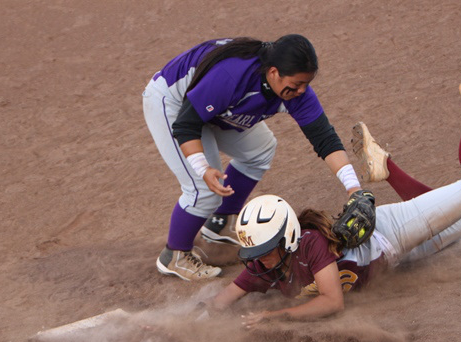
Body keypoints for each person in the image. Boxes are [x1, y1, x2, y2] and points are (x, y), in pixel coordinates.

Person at [210, 66, 461, 328]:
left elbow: (332, 302)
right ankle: (386, 167)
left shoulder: (309, 244)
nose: (259, 259)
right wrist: (195, 324)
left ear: (288, 237)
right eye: (256, 252)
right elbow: (221, 302)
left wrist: (274, 317)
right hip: (393, 259)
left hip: (392, 232)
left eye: (265, 250)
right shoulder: (265, 264)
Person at [143, 35, 365, 281]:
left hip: (214, 106)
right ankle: (175, 254)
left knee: (260, 149)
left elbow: (324, 138)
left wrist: (353, 189)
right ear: (273, 73)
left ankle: (220, 223)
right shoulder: (231, 76)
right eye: (297, 84)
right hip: (173, 102)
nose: (302, 91)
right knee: (204, 190)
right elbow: (186, 124)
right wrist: (203, 168)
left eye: (306, 84)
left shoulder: (294, 91)